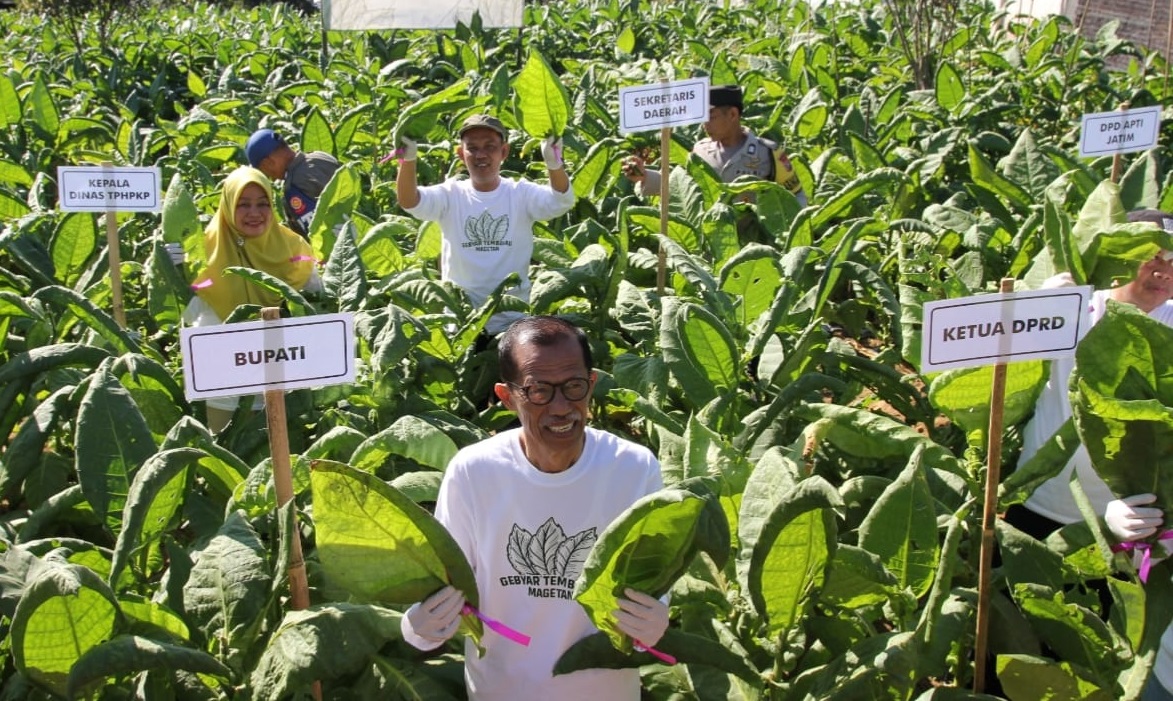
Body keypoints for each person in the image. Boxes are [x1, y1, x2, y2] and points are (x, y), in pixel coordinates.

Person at [400, 315, 670, 700]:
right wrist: (421, 626)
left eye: (574, 387)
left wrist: (654, 619)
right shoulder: (474, 472)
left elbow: (651, 587)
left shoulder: (634, 468)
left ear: (591, 384)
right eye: (539, 390)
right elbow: (447, 588)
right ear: (507, 396)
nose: (562, 407)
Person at [1005, 208, 1173, 700]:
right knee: (1023, 636)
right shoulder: (1072, 309)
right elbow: (985, 369)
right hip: (1037, 506)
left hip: (1130, 530)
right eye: (1149, 257)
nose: (1163, 269)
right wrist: (1027, 312)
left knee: (1101, 643)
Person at [396, 115, 575, 336]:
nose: (481, 155)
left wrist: (554, 164)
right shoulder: (450, 194)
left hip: (512, 320)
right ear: (461, 154)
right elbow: (409, 201)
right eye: (472, 148)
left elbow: (562, 201)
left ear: (504, 152)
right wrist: (407, 160)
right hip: (461, 319)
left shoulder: (520, 193)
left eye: (490, 147)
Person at [183, 166, 320, 432]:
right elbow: (185, 313)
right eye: (243, 204)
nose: (254, 213)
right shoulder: (200, 251)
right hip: (223, 392)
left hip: (285, 390)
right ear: (228, 206)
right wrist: (174, 266)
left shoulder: (294, 248)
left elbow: (318, 300)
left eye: (262, 203)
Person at [622, 84, 807, 207]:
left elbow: (797, 197)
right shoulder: (700, 151)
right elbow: (681, 186)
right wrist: (645, 175)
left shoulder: (768, 152)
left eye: (711, 116)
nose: (705, 124)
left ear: (733, 114)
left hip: (757, 248)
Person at [245, 128, 341, 238]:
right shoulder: (321, 156)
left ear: (268, 163)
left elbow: (318, 235)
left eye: (263, 170)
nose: (270, 177)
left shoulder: (294, 188)